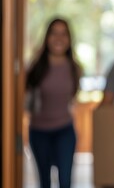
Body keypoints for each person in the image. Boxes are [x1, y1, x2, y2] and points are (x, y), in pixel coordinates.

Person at [25, 17, 81, 188]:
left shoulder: (74, 67)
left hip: (65, 130)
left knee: (65, 181)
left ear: (69, 39)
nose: (59, 38)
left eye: (63, 34)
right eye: (54, 33)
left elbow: (73, 96)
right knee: (45, 182)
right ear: (47, 37)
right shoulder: (35, 67)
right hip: (39, 131)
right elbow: (26, 100)